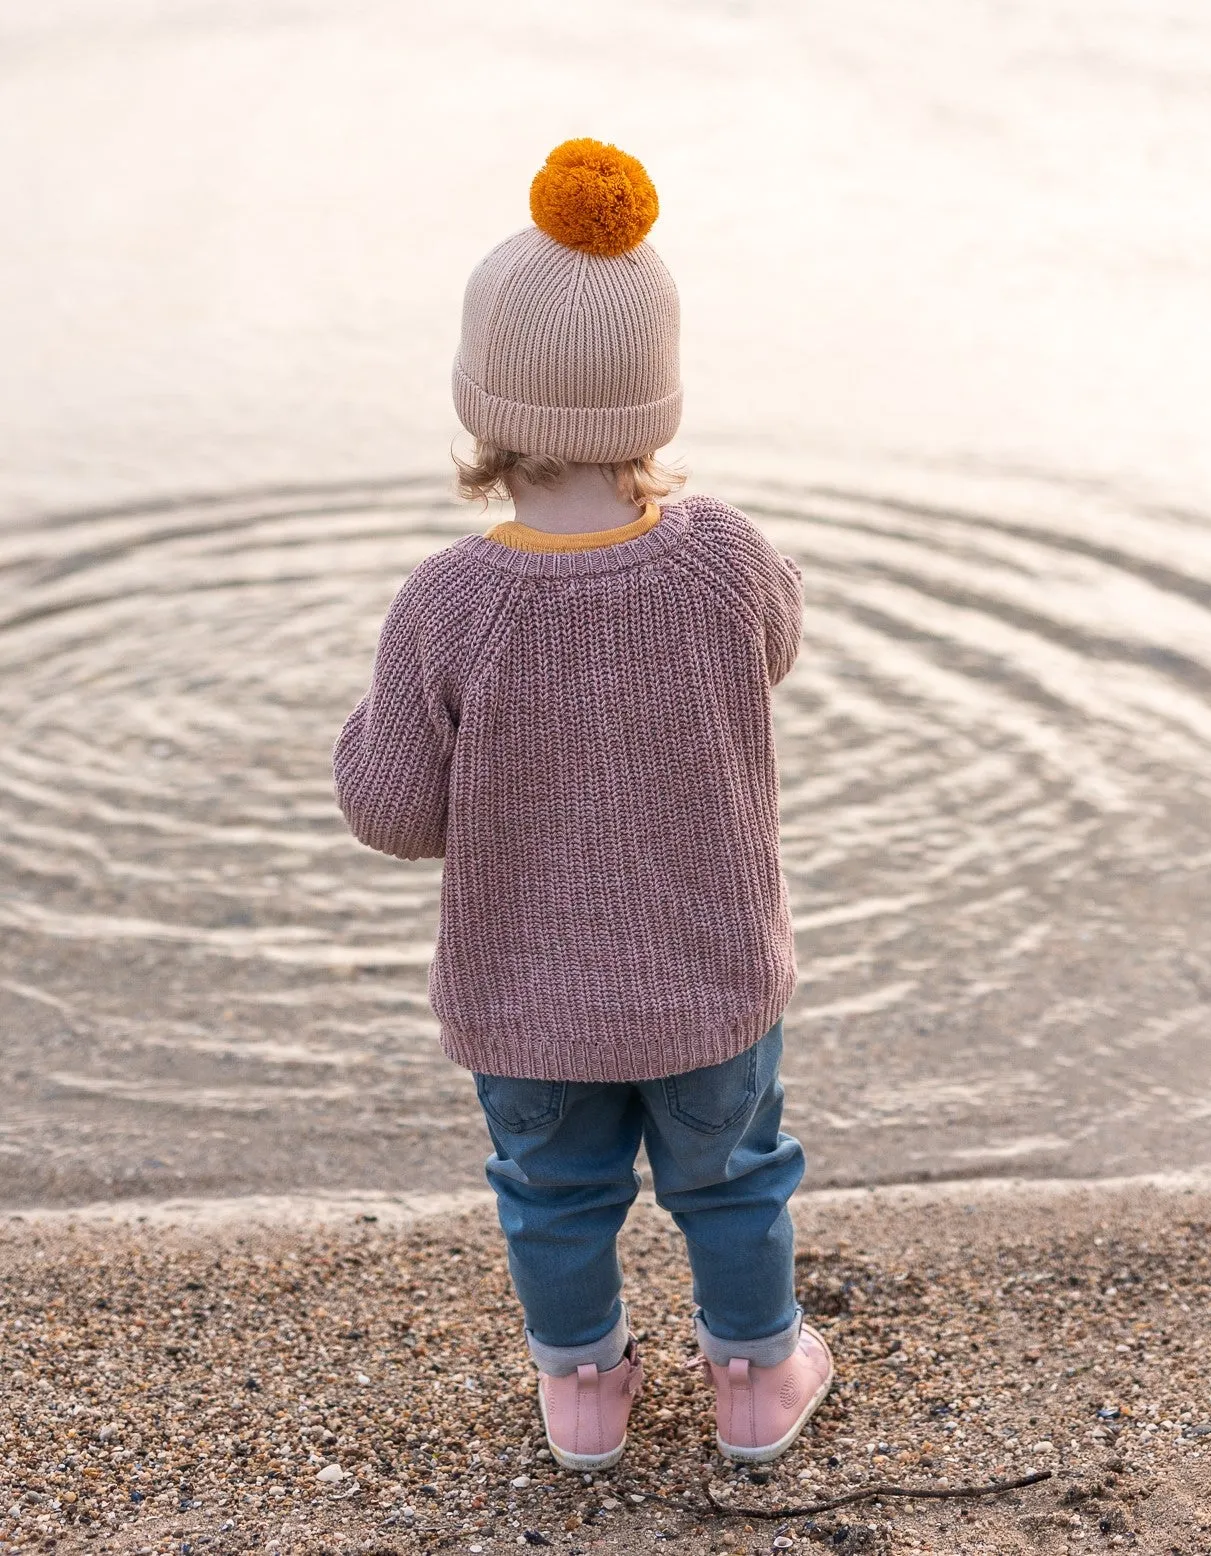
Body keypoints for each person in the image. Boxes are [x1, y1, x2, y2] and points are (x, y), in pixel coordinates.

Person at [333, 139, 830, 1472]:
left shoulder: (448, 602)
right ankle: (754, 1379)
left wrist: (364, 741)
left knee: (554, 1200)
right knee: (732, 1180)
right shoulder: (726, 558)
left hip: (530, 1006)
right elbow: (774, 649)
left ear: (482, 406)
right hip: (711, 981)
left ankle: (586, 1396)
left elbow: (392, 811)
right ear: (656, 403)